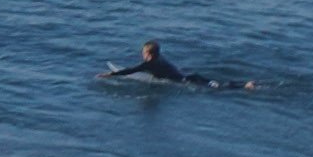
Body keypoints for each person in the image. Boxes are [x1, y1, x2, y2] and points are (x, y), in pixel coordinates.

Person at [99, 40, 255, 91]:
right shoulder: (159, 58)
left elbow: (131, 70)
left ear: (149, 54)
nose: (141, 54)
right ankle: (244, 84)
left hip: (187, 82)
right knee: (217, 84)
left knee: (218, 88)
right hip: (190, 76)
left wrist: (110, 75)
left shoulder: (150, 64)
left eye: (143, 52)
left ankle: (244, 86)